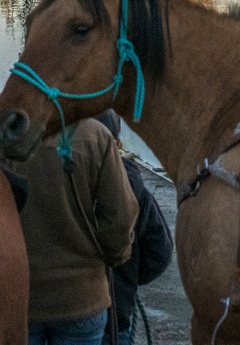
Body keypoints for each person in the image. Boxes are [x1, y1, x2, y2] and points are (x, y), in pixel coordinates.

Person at [0, 116, 139, 345]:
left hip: (19, 299)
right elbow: (120, 220)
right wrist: (113, 257)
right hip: (81, 299)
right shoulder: (97, 136)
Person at [96, 113, 174, 345]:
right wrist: (127, 279)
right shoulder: (133, 186)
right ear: (117, 144)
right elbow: (159, 251)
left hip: (51, 312)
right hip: (115, 314)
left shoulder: (56, 177)